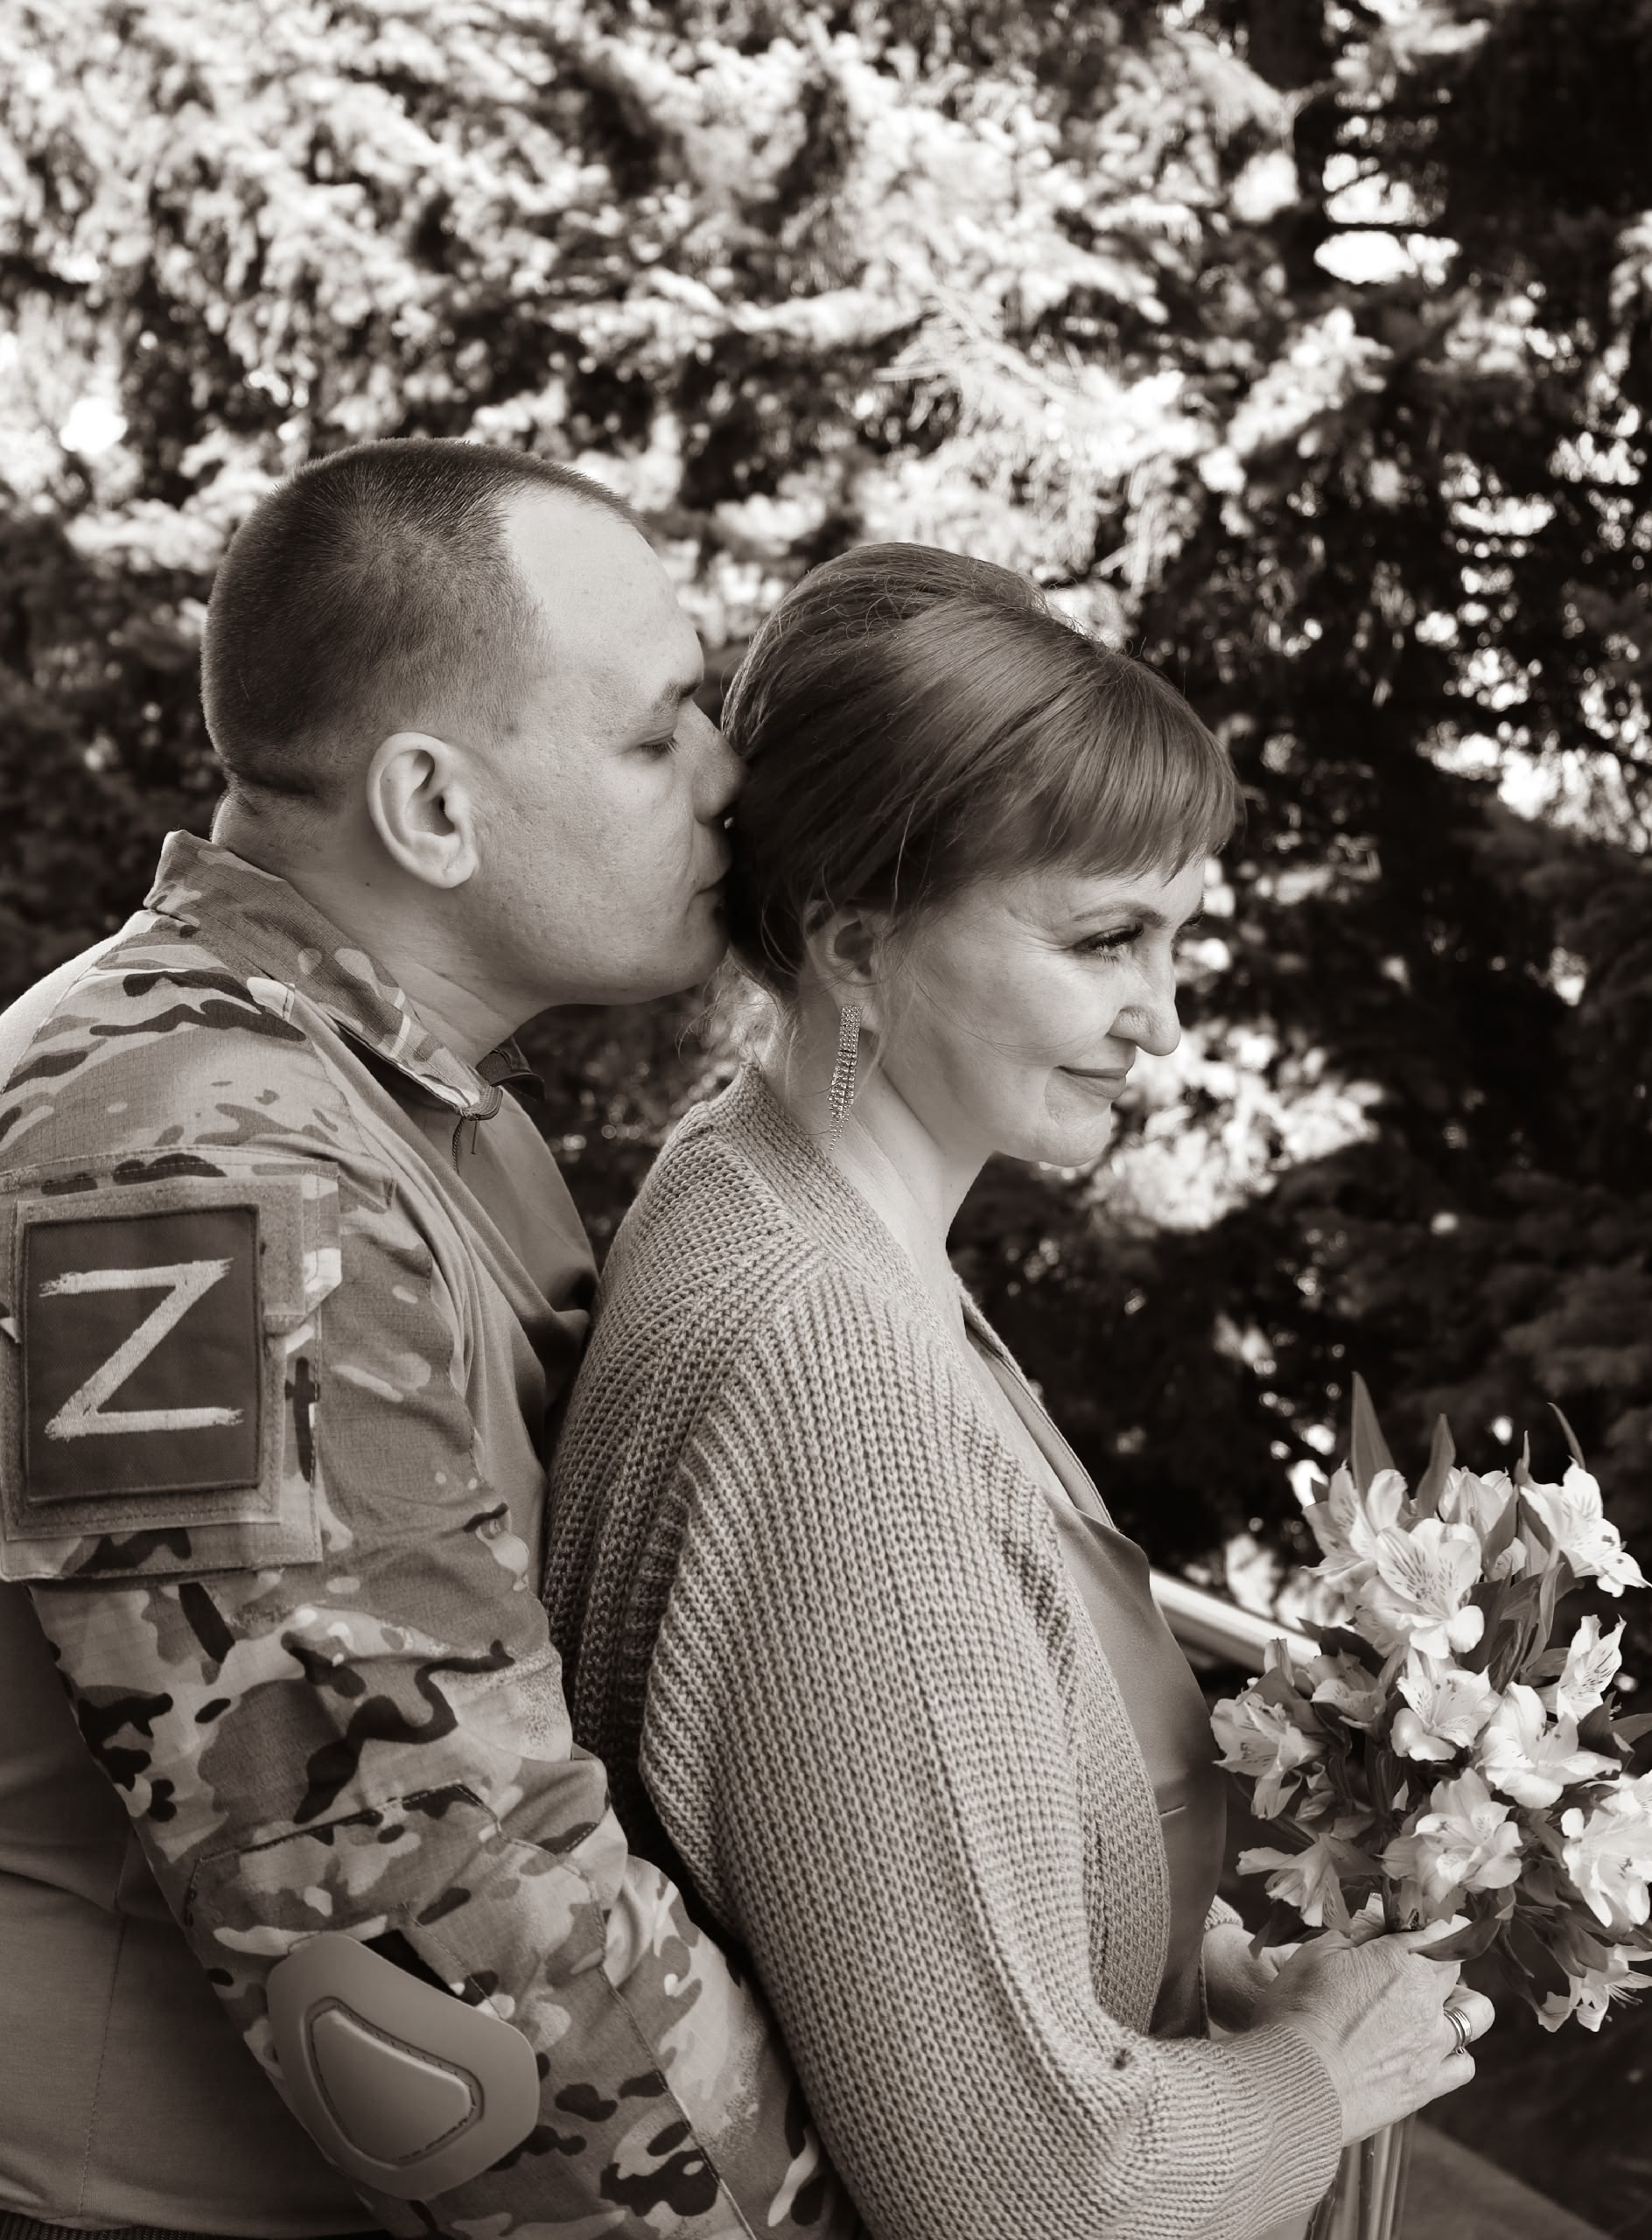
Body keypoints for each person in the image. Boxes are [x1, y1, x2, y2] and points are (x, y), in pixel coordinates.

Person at [547, 543, 1496, 2240]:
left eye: (1176, 939)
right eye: (1105, 939)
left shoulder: (772, 1183)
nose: (1164, 1020)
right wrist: (1320, 2074)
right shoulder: (831, 1383)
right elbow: (1022, 2189)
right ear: (855, 942)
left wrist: (1202, 1958)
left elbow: (895, 1874)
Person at [0, 442, 856, 2240]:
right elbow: (435, 1913)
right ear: (431, 807)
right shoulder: (206, 1163)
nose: (727, 779)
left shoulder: (386, 1105)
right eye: (657, 734)